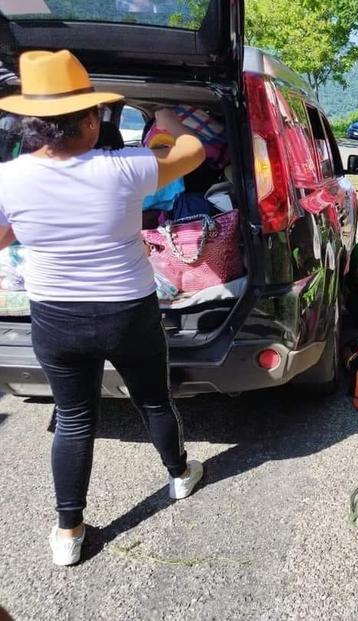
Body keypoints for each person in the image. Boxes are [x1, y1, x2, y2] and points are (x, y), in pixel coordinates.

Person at [0, 50, 207, 566]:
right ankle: (180, 476)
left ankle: (68, 531)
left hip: (56, 319)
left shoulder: (7, 179)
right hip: (127, 313)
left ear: (31, 122)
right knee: (153, 402)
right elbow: (193, 150)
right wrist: (161, 116)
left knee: (73, 418)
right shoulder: (127, 168)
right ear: (90, 119)